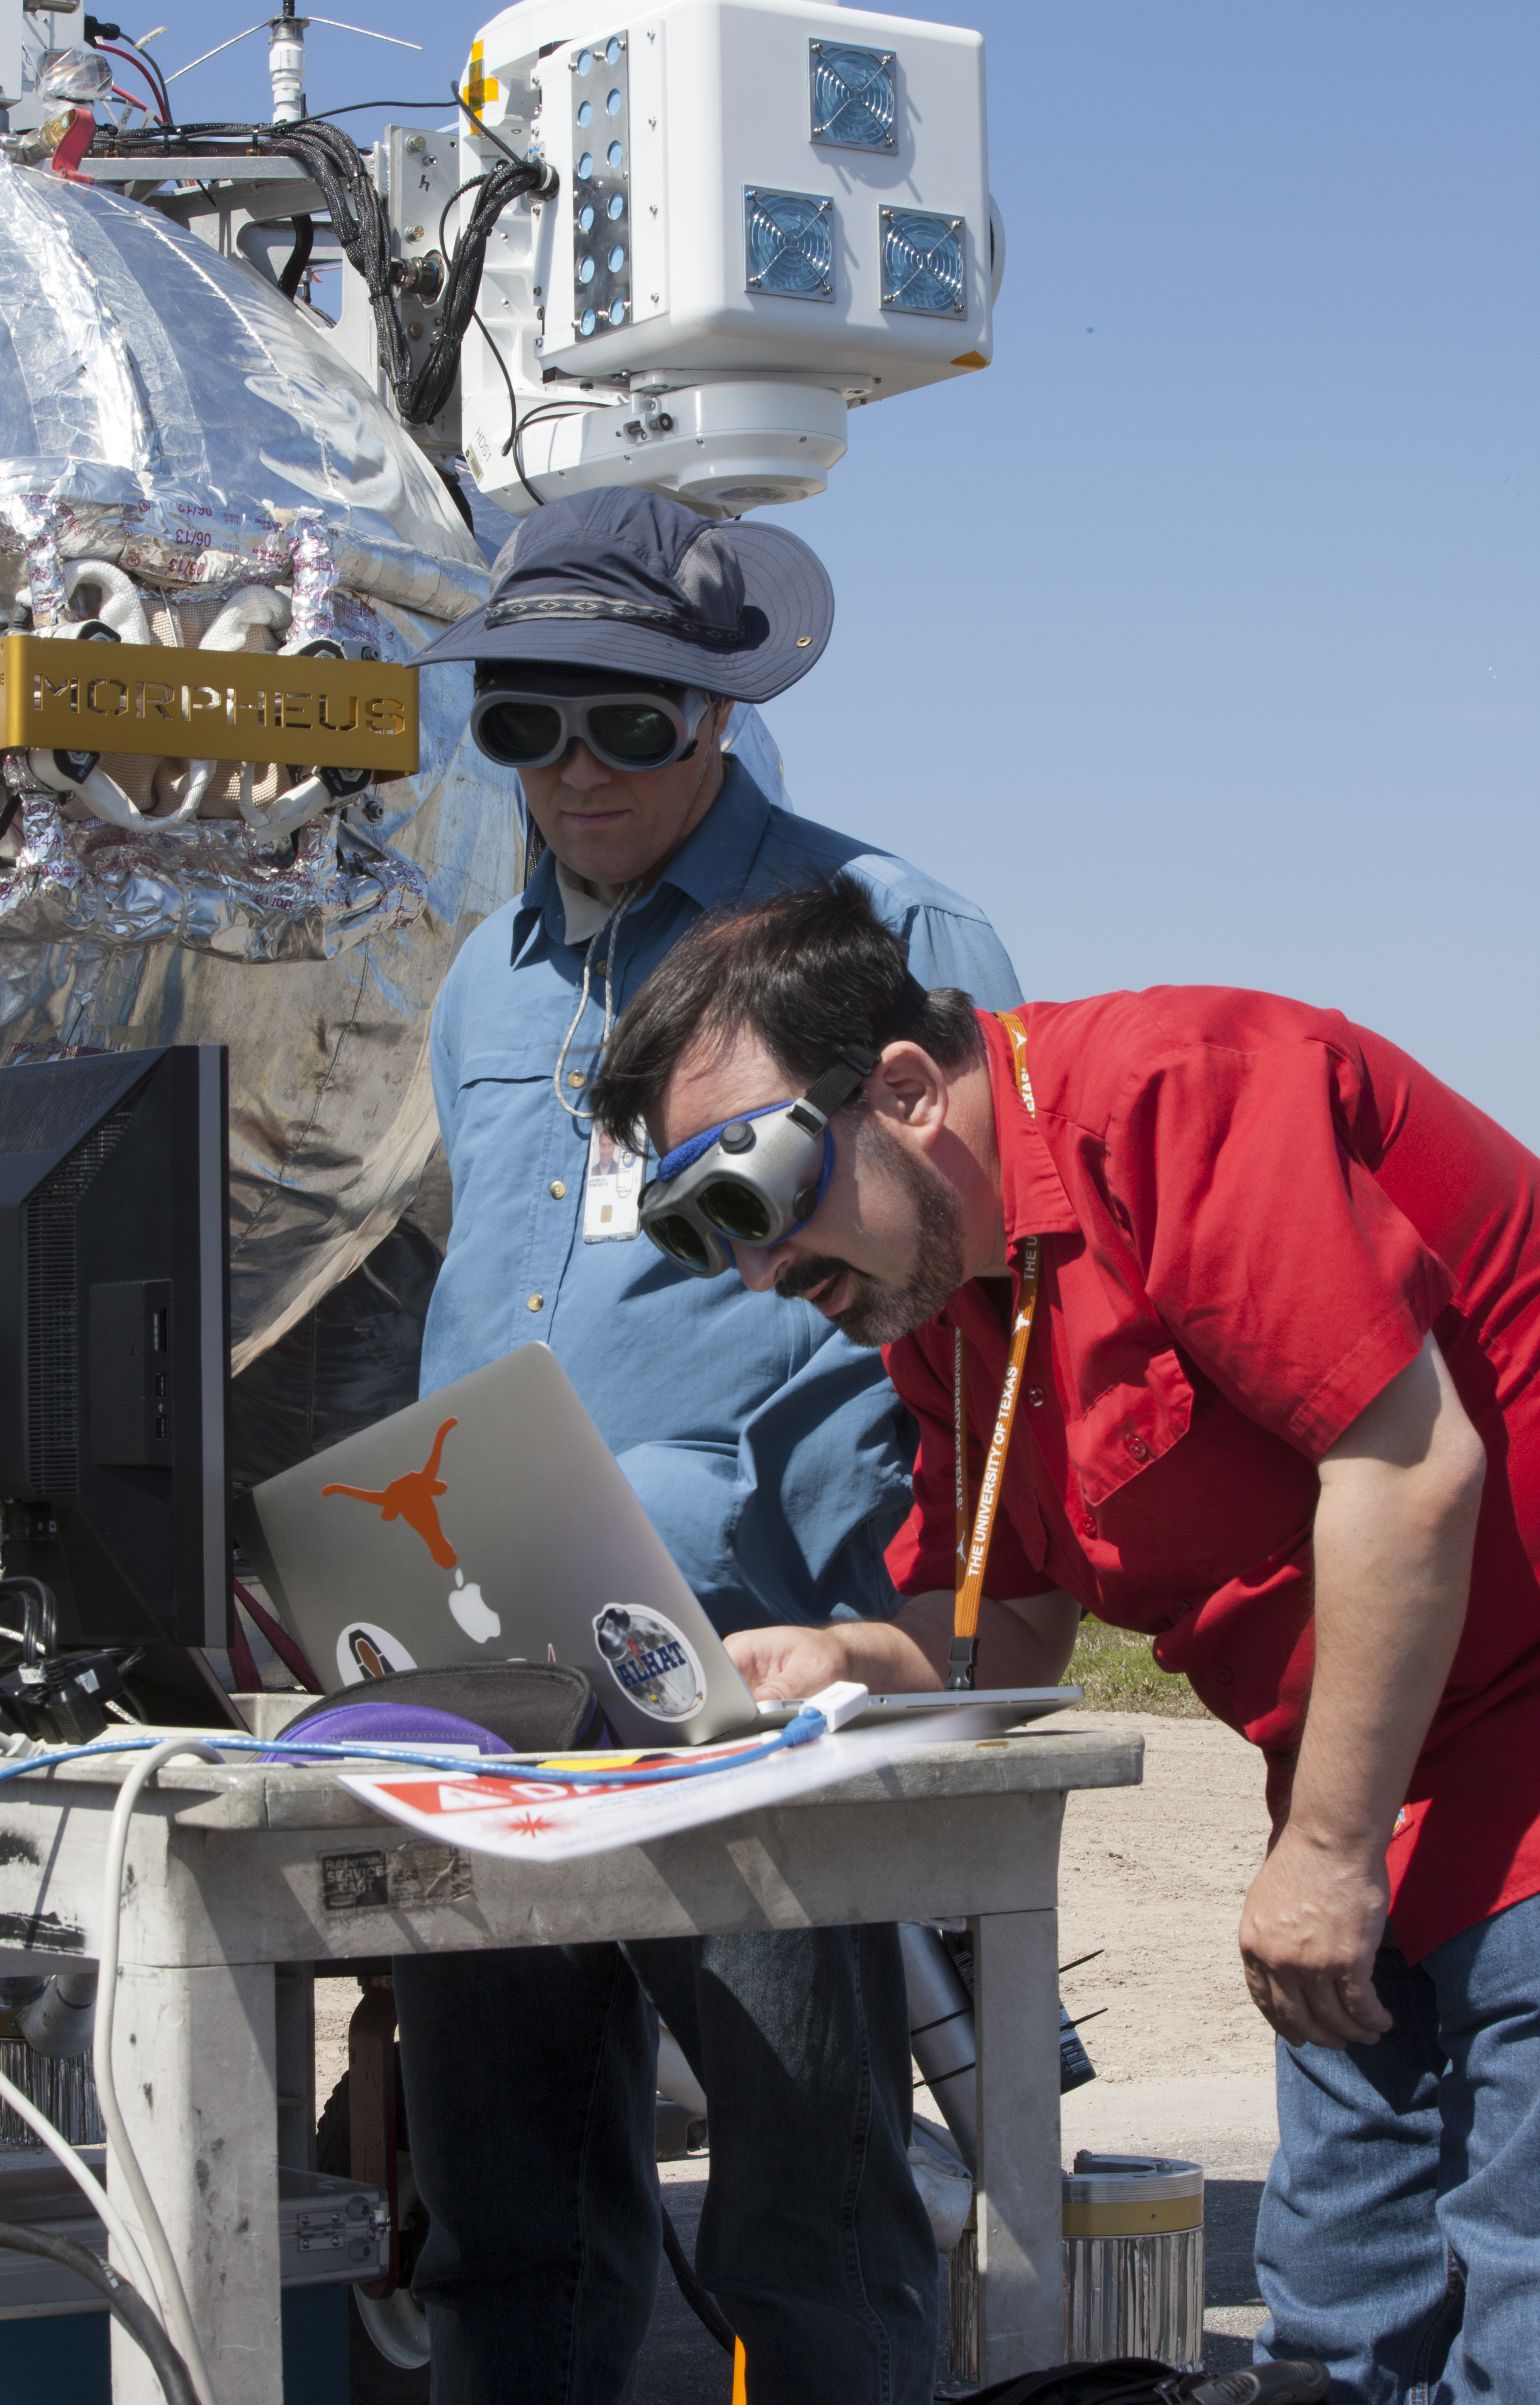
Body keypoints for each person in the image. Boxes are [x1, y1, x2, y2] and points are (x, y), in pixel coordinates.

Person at [586, 872, 1540, 2405]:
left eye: (755, 1193)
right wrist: (845, 1658)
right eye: (705, 1235)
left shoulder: (1184, 1098)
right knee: (1339, 2331)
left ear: (907, 1089)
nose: (761, 1270)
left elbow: (1409, 1467)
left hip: (1493, 1774)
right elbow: (1007, 1633)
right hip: (1378, 1794)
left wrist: (1328, 1849)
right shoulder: (949, 1301)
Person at [397, 491, 1022, 2403]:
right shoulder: (484, 980)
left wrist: (925, 1632)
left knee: (804, 2203)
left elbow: (993, 1279)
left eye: (630, 720)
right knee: (501, 2198)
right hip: (488, 1642)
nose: (575, 768)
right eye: (526, 721)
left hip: (750, 1661)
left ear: (723, 714)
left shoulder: (887, 934)